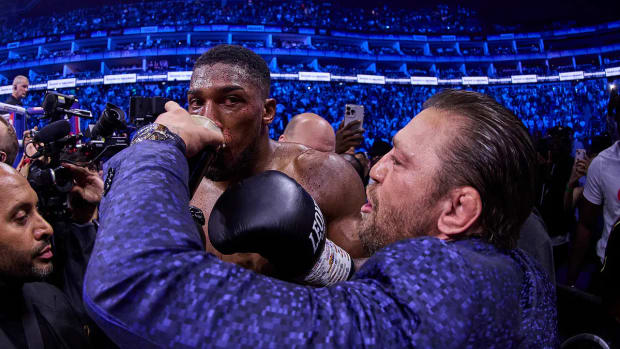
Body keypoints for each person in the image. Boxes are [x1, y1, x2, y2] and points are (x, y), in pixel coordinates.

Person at [84, 89, 557, 347]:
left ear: (458, 209)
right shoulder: (514, 267)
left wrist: (156, 145)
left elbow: (132, 283)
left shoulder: (436, 301)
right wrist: (316, 262)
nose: (375, 169)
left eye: (400, 160)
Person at [188, 45, 367, 268]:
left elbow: (364, 283)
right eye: (197, 102)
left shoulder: (325, 175)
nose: (209, 120)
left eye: (231, 100)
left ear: (267, 111)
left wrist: (311, 265)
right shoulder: (179, 184)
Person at [0, 163, 92, 348]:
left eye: (37, 210)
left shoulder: (53, 301)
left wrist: (83, 219)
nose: (47, 228)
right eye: (21, 217)